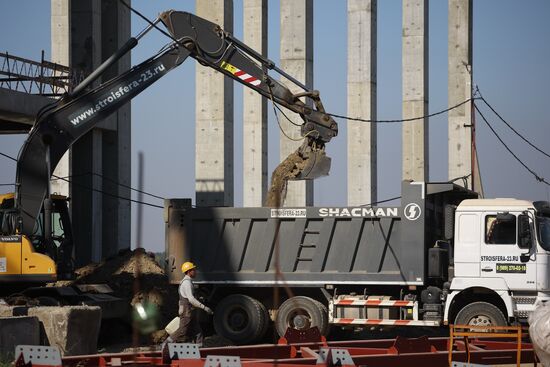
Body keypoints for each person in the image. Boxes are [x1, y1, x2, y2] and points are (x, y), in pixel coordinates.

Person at [163, 261, 213, 347]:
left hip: (189, 310)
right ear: (189, 271)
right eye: (193, 270)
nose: (195, 271)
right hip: (186, 311)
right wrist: (204, 307)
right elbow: (191, 299)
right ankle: (166, 344)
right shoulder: (186, 283)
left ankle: (199, 348)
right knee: (182, 330)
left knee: (197, 331)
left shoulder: (188, 282)